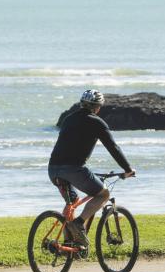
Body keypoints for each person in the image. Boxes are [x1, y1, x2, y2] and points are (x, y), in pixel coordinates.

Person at [47, 89, 135, 244]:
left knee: (72, 203)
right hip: (74, 169)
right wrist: (128, 169)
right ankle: (79, 224)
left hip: (53, 169)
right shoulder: (97, 122)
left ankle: (69, 243)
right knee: (103, 194)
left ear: (82, 104)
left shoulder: (68, 119)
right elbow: (113, 147)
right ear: (98, 107)